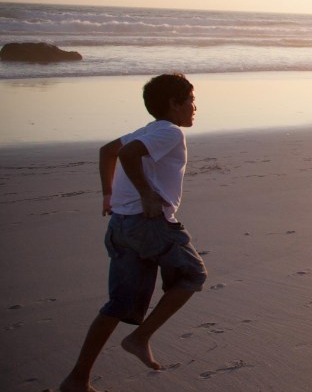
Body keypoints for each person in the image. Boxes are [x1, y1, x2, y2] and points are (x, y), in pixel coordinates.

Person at [60, 73, 207, 392]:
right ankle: (140, 337)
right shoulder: (169, 132)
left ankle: (77, 379)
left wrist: (107, 195)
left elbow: (107, 151)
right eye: (191, 101)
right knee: (192, 275)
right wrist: (146, 193)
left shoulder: (147, 130)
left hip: (121, 226)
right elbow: (125, 155)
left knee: (119, 304)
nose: (194, 108)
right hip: (148, 225)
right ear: (174, 103)